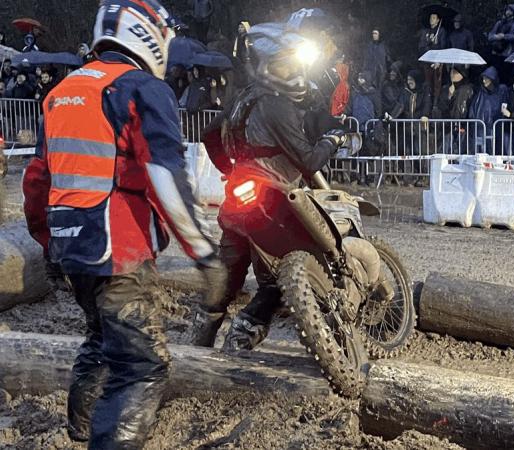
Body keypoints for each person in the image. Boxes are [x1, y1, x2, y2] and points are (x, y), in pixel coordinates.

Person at [22, 1, 227, 447]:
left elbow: (37, 178)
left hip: (72, 245)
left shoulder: (63, 92)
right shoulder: (141, 88)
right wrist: (205, 253)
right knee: (141, 365)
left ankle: (81, 429)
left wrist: (48, 242)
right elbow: (166, 178)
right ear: (149, 34)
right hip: (119, 250)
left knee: (101, 337)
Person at [195, 21, 349, 352]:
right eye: (284, 64)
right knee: (282, 275)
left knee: (229, 272)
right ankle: (241, 337)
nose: (292, 70)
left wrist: (231, 167)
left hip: (239, 194)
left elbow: (209, 132)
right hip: (271, 197)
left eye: (293, 64)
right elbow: (307, 160)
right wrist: (333, 139)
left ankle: (202, 337)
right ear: (268, 67)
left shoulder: (246, 96)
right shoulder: (276, 104)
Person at [468, 66, 509, 153]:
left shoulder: (502, 90)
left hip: (495, 126)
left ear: (492, 79)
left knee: (496, 148)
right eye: (483, 79)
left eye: (486, 79)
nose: (484, 81)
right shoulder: (480, 93)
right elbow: (474, 108)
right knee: (482, 150)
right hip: (481, 127)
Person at [437, 65, 473, 153]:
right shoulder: (446, 88)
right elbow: (441, 107)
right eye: (451, 72)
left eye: (455, 72)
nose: (452, 74)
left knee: (461, 152)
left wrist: (466, 124)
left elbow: (469, 107)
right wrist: (449, 96)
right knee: (446, 151)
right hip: (448, 127)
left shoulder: (468, 89)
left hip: (463, 127)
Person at [418, 13, 448, 108]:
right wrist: (430, 43)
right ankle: (427, 104)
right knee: (428, 83)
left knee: (437, 84)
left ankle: (435, 105)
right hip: (427, 62)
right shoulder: (426, 31)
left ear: (438, 20)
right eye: (431, 17)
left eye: (434, 18)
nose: (431, 19)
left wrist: (436, 45)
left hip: (438, 62)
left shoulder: (441, 31)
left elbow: (443, 47)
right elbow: (421, 47)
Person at [487, 4, 514, 80]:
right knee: (495, 74)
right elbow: (490, 36)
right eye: (507, 10)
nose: (507, 12)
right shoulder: (499, 23)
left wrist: (503, 36)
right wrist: (496, 37)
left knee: (506, 76)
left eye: (510, 10)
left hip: (508, 54)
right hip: (496, 53)